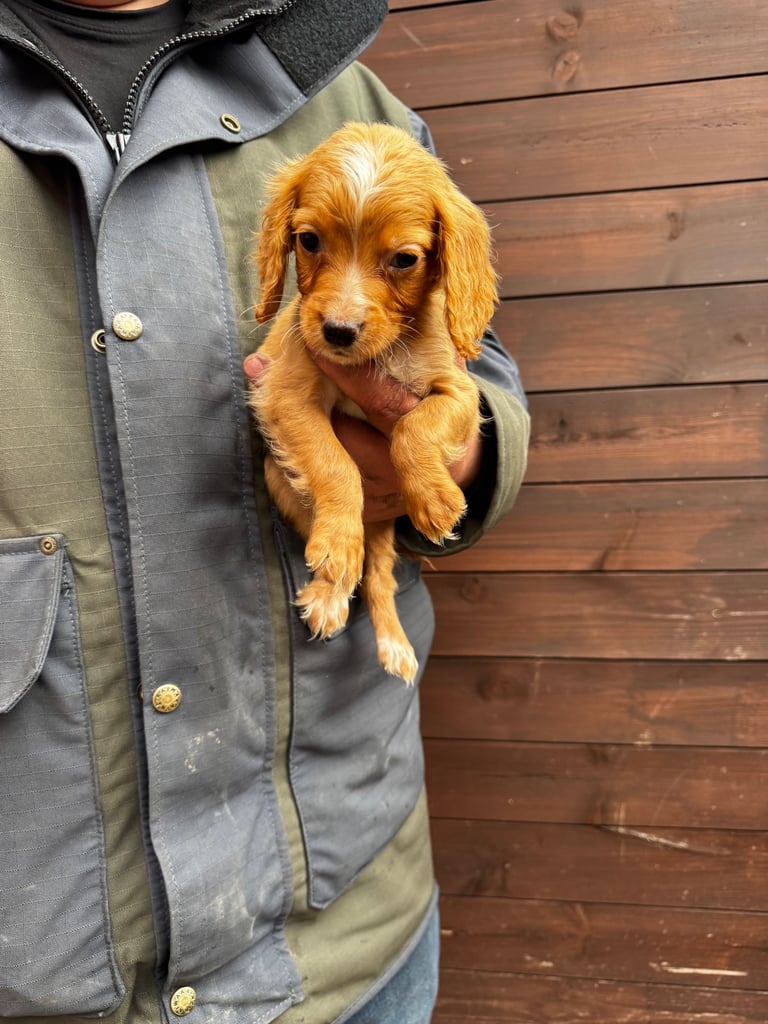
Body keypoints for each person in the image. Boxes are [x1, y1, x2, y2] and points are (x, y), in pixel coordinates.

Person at [0, 0, 529, 1022]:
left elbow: (479, 355)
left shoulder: (345, 85)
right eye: (313, 248)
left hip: (347, 929)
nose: (339, 300)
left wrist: (454, 448)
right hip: (43, 948)